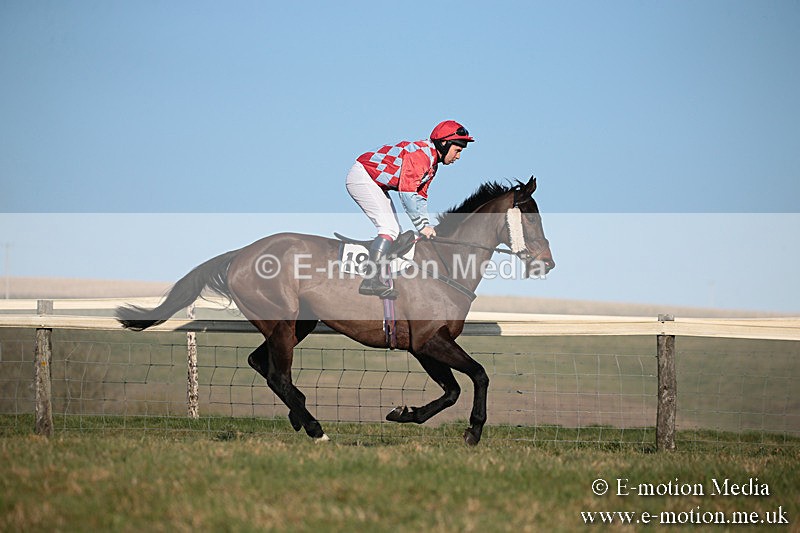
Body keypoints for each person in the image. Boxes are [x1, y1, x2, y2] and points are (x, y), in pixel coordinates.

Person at [345, 120, 475, 297]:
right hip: (363, 177)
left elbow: (420, 198)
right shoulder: (421, 157)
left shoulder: (432, 165)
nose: (458, 156)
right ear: (444, 143)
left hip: (375, 182)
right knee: (389, 229)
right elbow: (407, 194)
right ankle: (370, 280)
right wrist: (421, 226)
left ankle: (380, 272)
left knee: (394, 231)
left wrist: (425, 225)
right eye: (457, 150)